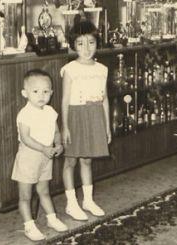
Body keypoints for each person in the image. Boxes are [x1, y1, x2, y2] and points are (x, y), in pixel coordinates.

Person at [61, 20, 111, 220]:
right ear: (73, 46)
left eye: (91, 42)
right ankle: (71, 203)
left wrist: (107, 127)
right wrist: (65, 127)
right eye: (80, 44)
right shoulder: (70, 69)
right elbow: (65, 100)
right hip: (75, 116)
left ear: (97, 43)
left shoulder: (102, 69)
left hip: (94, 115)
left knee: (87, 159)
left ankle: (88, 200)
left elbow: (105, 99)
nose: (86, 48)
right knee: (71, 160)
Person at [11, 69, 68, 242]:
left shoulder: (50, 111)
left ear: (51, 92)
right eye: (35, 91)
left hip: (45, 157)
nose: (41, 95)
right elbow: (26, 138)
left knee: (44, 190)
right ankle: (29, 225)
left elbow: (56, 131)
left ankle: (51, 218)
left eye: (45, 91)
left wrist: (58, 144)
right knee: (25, 195)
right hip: (29, 157)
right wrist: (44, 148)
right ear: (25, 93)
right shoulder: (25, 114)